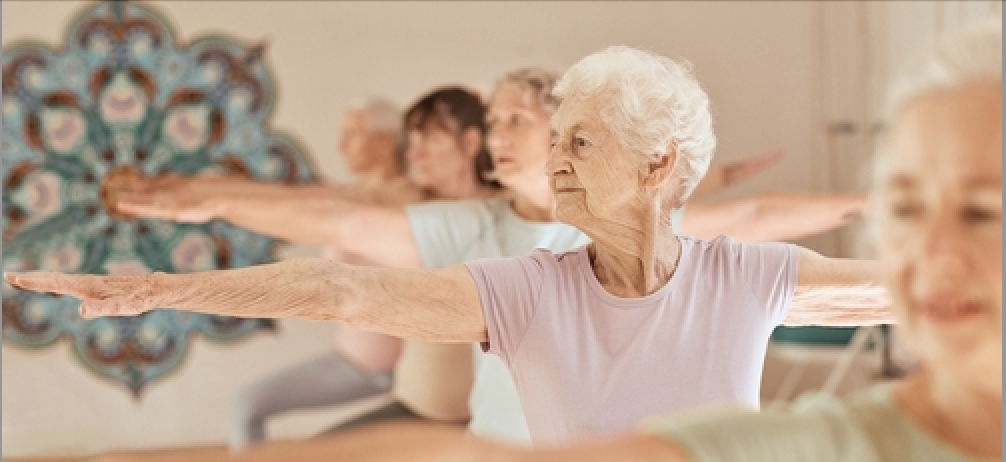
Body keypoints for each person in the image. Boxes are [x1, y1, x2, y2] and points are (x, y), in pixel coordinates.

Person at [9, 44, 891, 447]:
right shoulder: (527, 292)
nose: (554, 160)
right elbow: (343, 289)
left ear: (658, 162)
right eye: (554, 140)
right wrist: (157, 289)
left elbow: (906, 288)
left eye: (580, 142)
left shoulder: (745, 276)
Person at [219, 89, 501, 448]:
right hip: (417, 404)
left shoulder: (503, 210)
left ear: (471, 142)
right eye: (413, 140)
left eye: (429, 138)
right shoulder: (405, 199)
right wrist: (215, 201)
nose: (415, 152)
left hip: (471, 420)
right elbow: (320, 210)